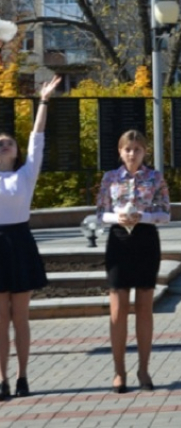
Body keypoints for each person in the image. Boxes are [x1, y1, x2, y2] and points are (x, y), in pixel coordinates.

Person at [0, 75, 61, 400]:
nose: (4, 144)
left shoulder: (25, 174)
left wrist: (44, 101)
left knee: (20, 317)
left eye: (8, 141)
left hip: (20, 243)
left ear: (16, 149)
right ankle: (2, 379)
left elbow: (37, 138)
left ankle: (23, 377)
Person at [96, 129, 171, 393]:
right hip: (119, 241)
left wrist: (143, 217)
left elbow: (166, 213)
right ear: (120, 151)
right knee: (118, 310)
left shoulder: (155, 177)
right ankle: (119, 371)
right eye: (127, 149)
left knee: (144, 308)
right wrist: (118, 218)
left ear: (144, 152)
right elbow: (100, 213)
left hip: (145, 240)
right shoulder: (110, 178)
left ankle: (144, 369)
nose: (132, 154)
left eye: (137, 149)